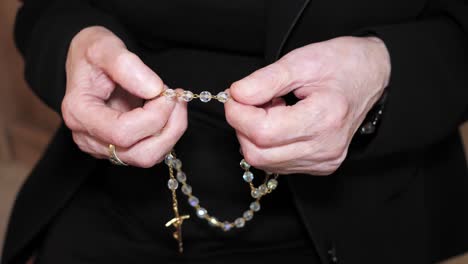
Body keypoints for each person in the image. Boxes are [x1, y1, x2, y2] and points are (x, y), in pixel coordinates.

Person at [2, 0, 468, 263]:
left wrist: (381, 74)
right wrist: (75, 46)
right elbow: (45, 8)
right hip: (106, 200)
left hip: (360, 222)